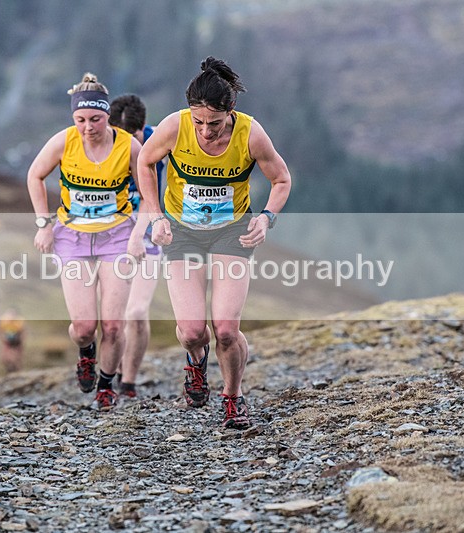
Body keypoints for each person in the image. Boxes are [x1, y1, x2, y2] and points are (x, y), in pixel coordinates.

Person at [135, 57, 292, 429]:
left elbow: (281, 179)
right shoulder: (175, 127)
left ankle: (233, 398)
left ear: (230, 112)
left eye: (215, 124)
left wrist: (266, 218)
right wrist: (156, 215)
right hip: (181, 230)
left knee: (225, 329)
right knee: (192, 332)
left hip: (231, 232)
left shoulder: (251, 134)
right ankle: (195, 362)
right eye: (199, 122)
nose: (205, 132)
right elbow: (144, 162)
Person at [27, 72, 143, 410]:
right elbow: (35, 175)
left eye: (95, 119)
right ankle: (86, 355)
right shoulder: (64, 141)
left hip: (116, 237)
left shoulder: (128, 145)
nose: (88, 127)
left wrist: (139, 234)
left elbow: (149, 194)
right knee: (83, 327)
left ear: (108, 115)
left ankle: (107, 385)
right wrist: (42, 223)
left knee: (113, 325)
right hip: (72, 238)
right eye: (80, 119)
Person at [108, 94, 165, 398]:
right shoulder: (105, 143)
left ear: (144, 127)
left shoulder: (159, 139)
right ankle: (112, 369)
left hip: (149, 230)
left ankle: (128, 381)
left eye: (135, 137)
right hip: (110, 232)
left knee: (137, 310)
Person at [0, 308, 25, 373]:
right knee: (5, 359)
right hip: (7, 342)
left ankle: (17, 371)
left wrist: (20, 339)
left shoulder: (19, 321)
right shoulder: (3, 321)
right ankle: (10, 370)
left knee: (16, 359)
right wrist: (3, 339)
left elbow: (23, 333)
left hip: (16, 342)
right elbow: (0, 332)